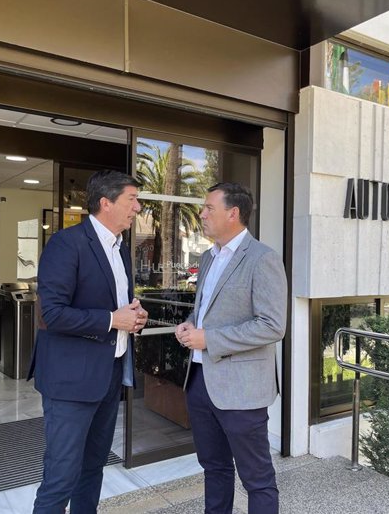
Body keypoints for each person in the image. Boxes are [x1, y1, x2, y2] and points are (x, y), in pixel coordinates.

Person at [28, 170, 148, 514]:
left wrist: (135, 315)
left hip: (108, 376)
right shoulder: (67, 243)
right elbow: (51, 314)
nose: (137, 207)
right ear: (105, 203)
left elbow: (116, 303)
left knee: (93, 468)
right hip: (70, 383)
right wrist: (113, 319)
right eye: (131, 199)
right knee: (61, 476)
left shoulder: (121, 249)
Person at [175, 182, 287, 514]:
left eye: (209, 208)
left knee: (258, 480)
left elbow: (272, 325)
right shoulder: (208, 258)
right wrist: (190, 323)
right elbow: (206, 310)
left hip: (242, 390)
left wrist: (209, 339)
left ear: (233, 213)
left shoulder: (263, 259)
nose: (202, 214)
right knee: (215, 468)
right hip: (199, 382)